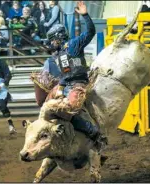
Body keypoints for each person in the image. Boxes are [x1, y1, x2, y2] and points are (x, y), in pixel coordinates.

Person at [41, 1, 107, 151]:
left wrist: (85, 15)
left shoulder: (74, 44)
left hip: (79, 84)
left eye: (52, 39)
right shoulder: (58, 54)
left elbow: (90, 32)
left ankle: (94, 132)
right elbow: (66, 73)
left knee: (68, 110)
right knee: (49, 106)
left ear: (58, 37)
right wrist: (61, 86)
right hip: (67, 85)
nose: (51, 43)